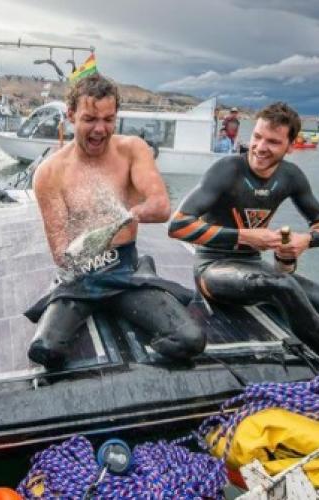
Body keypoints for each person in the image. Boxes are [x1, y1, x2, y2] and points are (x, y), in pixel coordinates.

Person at [168, 101, 319, 406]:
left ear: (290, 146)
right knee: (282, 283)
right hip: (214, 268)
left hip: (255, 268)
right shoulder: (226, 170)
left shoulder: (291, 176)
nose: (260, 147)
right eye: (257, 137)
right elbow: (178, 226)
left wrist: (306, 241)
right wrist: (245, 235)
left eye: (273, 142)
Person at [25, 73, 205, 369]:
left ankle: (142, 370)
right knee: (44, 350)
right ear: (71, 116)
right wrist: (96, 244)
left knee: (191, 340)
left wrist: (130, 215)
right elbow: (61, 255)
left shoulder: (132, 150)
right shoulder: (49, 173)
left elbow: (161, 207)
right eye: (90, 119)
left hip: (125, 272)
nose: (100, 129)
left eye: (108, 119)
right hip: (81, 277)